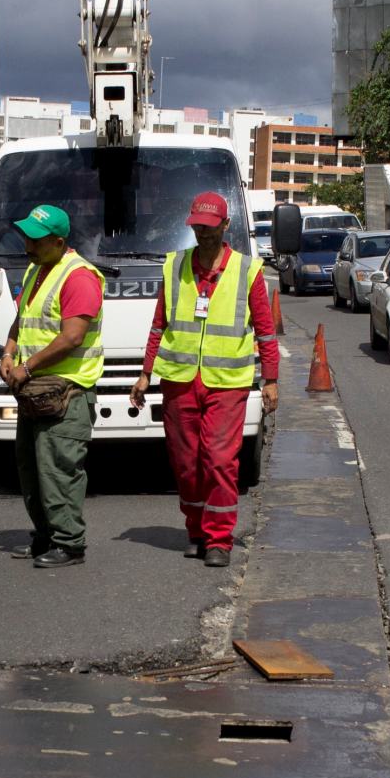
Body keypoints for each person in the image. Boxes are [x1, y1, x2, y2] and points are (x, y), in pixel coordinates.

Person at [129, 192, 279, 568]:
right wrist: (146, 372)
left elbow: (265, 331)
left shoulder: (247, 270)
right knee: (186, 463)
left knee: (219, 460)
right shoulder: (175, 266)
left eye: (210, 227)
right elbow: (159, 324)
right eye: (198, 226)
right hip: (179, 380)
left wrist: (271, 379)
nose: (203, 234)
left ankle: (219, 539)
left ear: (226, 226)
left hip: (227, 382)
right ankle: (196, 531)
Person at [0, 205, 104, 568]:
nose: (28, 244)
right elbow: (22, 319)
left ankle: (70, 543)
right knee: (31, 469)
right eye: (26, 236)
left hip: (66, 392)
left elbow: (72, 336)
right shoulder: (37, 269)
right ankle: (45, 535)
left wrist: (26, 366)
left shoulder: (79, 276)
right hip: (35, 390)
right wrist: (8, 353)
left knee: (59, 469)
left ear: (59, 242)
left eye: (36, 240)